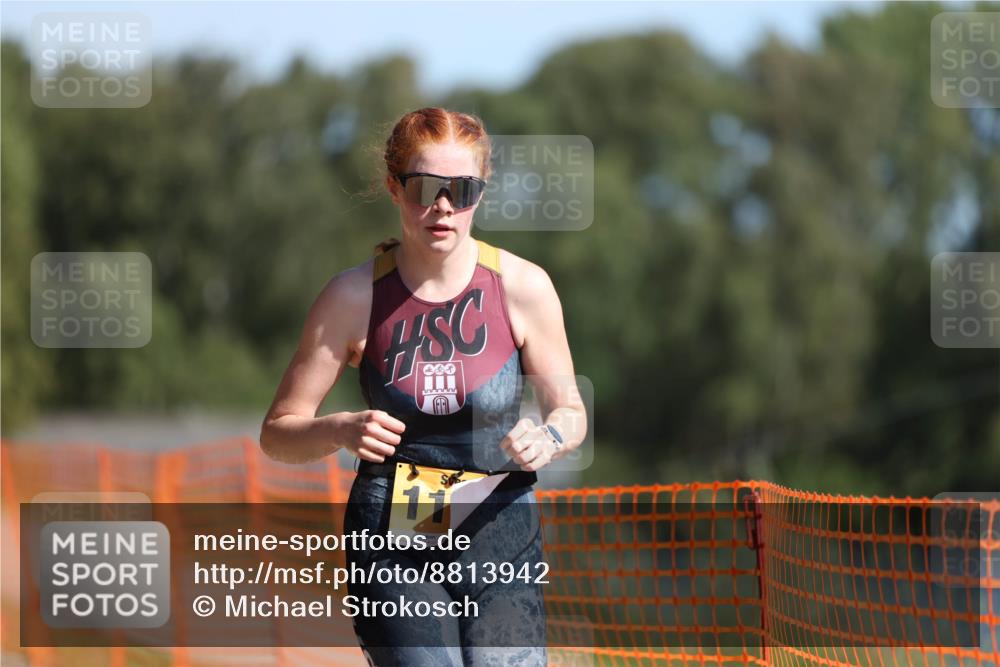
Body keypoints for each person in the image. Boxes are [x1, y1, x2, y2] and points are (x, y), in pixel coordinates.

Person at [260, 107, 587, 666]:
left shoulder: (523, 287)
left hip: (499, 529)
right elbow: (278, 433)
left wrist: (550, 437)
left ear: (480, 194)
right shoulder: (351, 297)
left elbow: (571, 410)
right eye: (426, 187)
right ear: (394, 188)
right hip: (393, 537)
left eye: (461, 189)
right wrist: (339, 429)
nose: (443, 206)